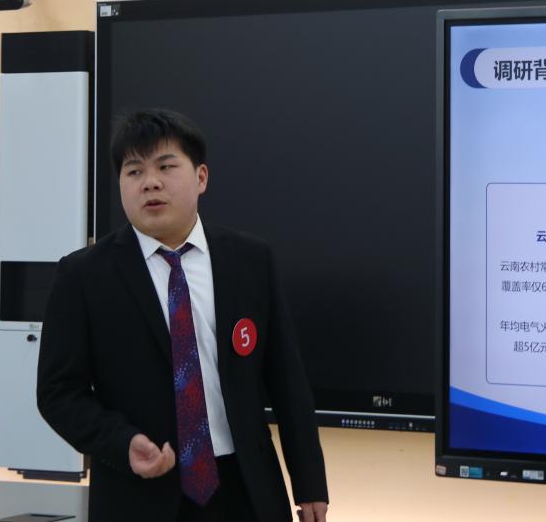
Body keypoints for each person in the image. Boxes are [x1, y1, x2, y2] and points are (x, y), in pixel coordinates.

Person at [37, 108, 329, 522]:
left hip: (245, 489)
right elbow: (58, 392)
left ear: (201, 177)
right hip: (139, 495)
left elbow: (287, 381)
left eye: (166, 166)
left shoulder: (249, 260)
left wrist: (309, 483)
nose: (150, 182)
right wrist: (121, 442)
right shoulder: (84, 276)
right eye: (134, 171)